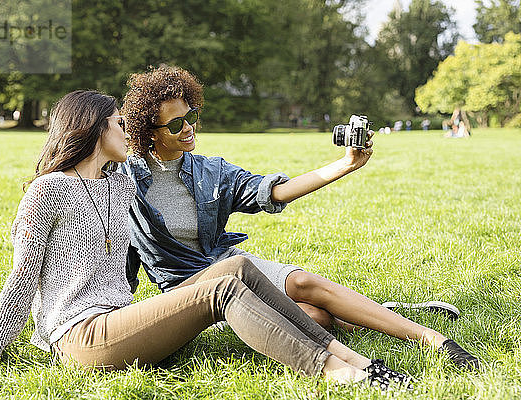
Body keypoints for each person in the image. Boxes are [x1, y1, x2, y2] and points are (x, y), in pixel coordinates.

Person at [0, 90, 416, 390]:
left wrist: (344, 163)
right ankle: (340, 375)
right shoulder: (48, 191)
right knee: (222, 288)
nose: (128, 134)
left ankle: (355, 359)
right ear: (96, 131)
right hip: (81, 337)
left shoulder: (118, 184)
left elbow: (257, 189)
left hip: (123, 320)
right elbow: (21, 282)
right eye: (120, 125)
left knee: (238, 267)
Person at [119, 66, 479, 370]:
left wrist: (345, 165)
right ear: (150, 132)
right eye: (176, 124)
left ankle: (432, 339)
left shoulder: (210, 171)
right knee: (316, 318)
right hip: (189, 291)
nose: (188, 128)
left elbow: (272, 192)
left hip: (229, 264)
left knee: (306, 287)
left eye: (191, 116)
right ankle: (377, 312)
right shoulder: (124, 181)